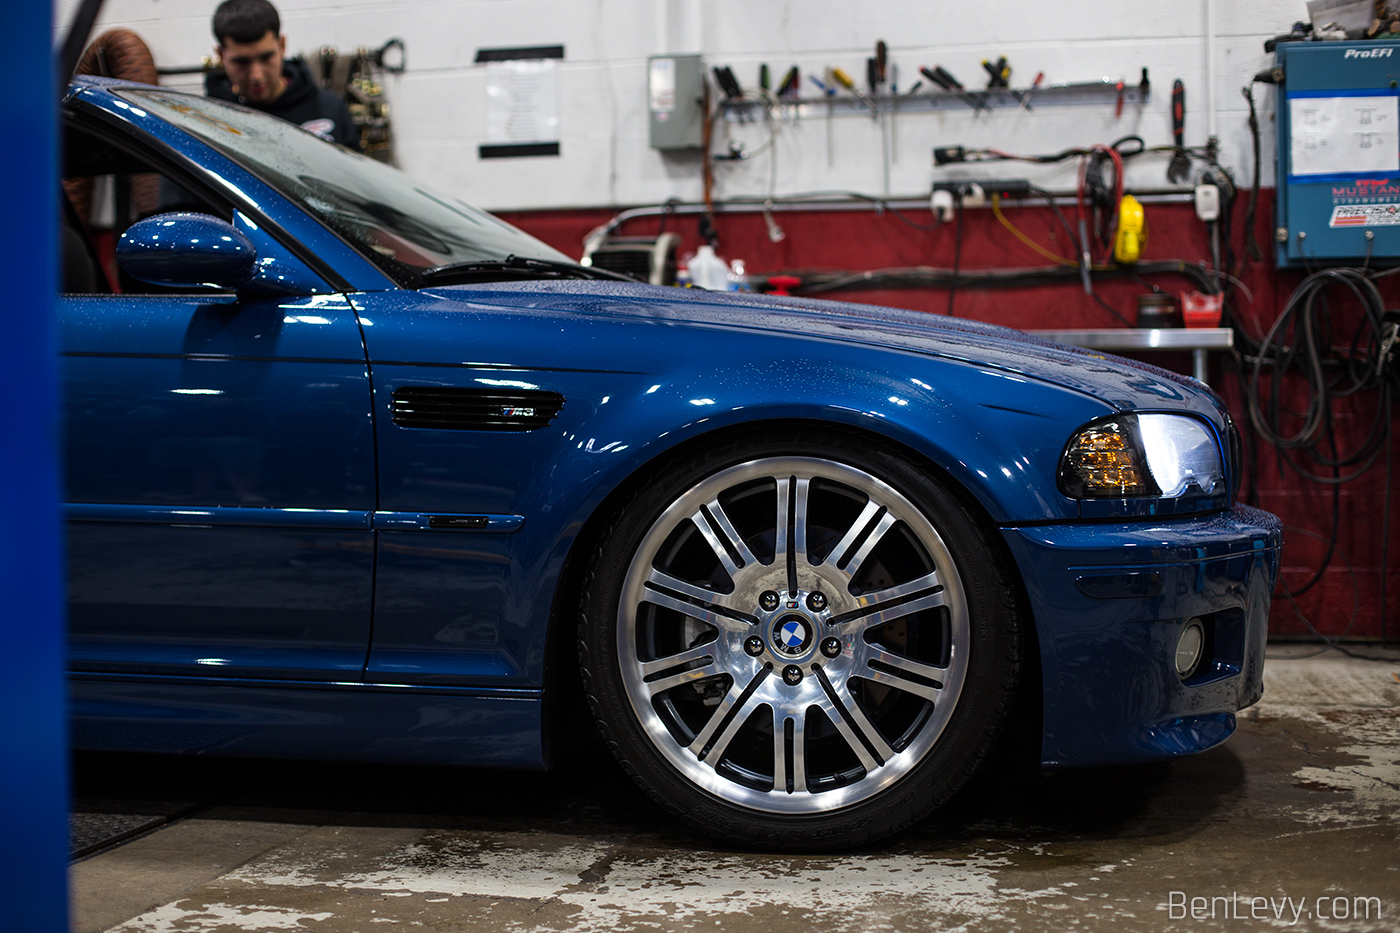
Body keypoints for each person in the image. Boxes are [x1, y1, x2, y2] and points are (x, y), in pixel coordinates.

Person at [206, 0, 361, 150]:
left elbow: (355, 173)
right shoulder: (210, 118)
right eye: (242, 62)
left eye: (266, 57)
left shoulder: (330, 107)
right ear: (221, 55)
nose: (256, 75)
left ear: (282, 45)